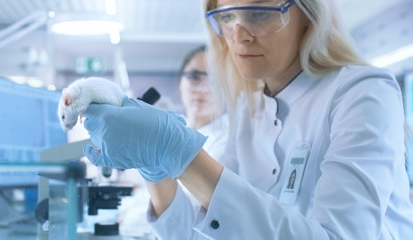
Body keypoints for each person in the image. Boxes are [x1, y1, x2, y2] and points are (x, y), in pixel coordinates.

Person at [82, 0, 413, 239]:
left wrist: (176, 151)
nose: (239, 35)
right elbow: (204, 233)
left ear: (309, 15)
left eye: (259, 13)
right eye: (227, 17)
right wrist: (154, 166)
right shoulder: (250, 110)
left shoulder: (362, 91)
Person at [178, 45, 229, 160]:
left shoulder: (229, 141)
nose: (203, 89)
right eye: (194, 77)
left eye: (215, 81)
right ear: (180, 82)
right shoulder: (176, 127)